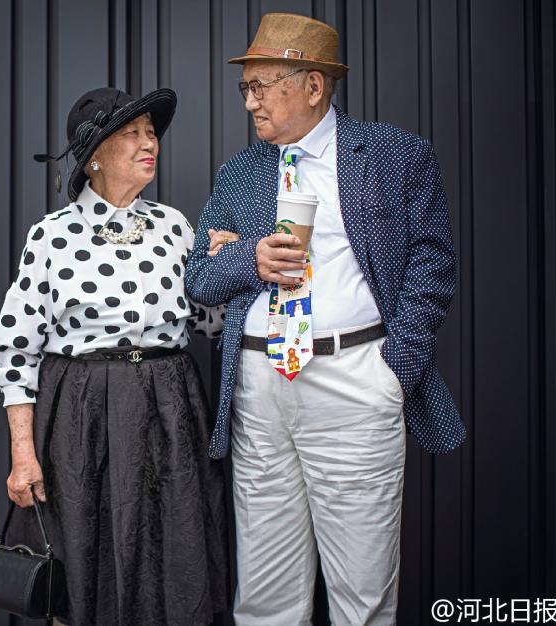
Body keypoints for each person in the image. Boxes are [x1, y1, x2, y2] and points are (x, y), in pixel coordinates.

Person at [185, 13, 467, 625]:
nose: (250, 102)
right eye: (245, 88)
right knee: (264, 593)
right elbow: (199, 279)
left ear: (313, 86)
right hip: (259, 387)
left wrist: (395, 371)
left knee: (362, 593)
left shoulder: (395, 155)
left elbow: (433, 265)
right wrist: (249, 258)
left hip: (355, 380)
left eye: (262, 86)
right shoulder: (239, 173)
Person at [0, 87, 232, 625]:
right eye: (132, 133)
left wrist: (224, 269)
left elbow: (209, 323)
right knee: (84, 556)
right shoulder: (52, 237)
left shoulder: (174, 226)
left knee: (172, 551)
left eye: (151, 133)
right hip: (82, 416)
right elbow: (15, 351)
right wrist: (23, 454)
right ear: (95, 155)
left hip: (169, 410)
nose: (150, 143)